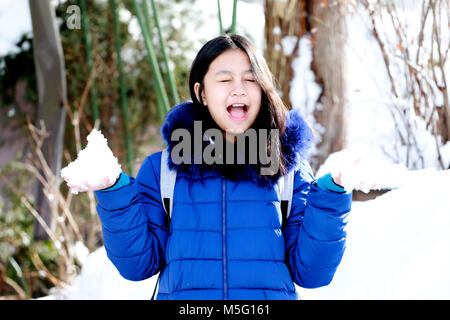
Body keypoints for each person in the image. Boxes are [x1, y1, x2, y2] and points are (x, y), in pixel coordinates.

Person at [62, 34, 354, 300]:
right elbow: (138, 265)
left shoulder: (286, 168)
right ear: (201, 92)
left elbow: (312, 273)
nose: (239, 89)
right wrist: (113, 191)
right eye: (225, 80)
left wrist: (332, 196)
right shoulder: (163, 170)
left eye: (250, 80)